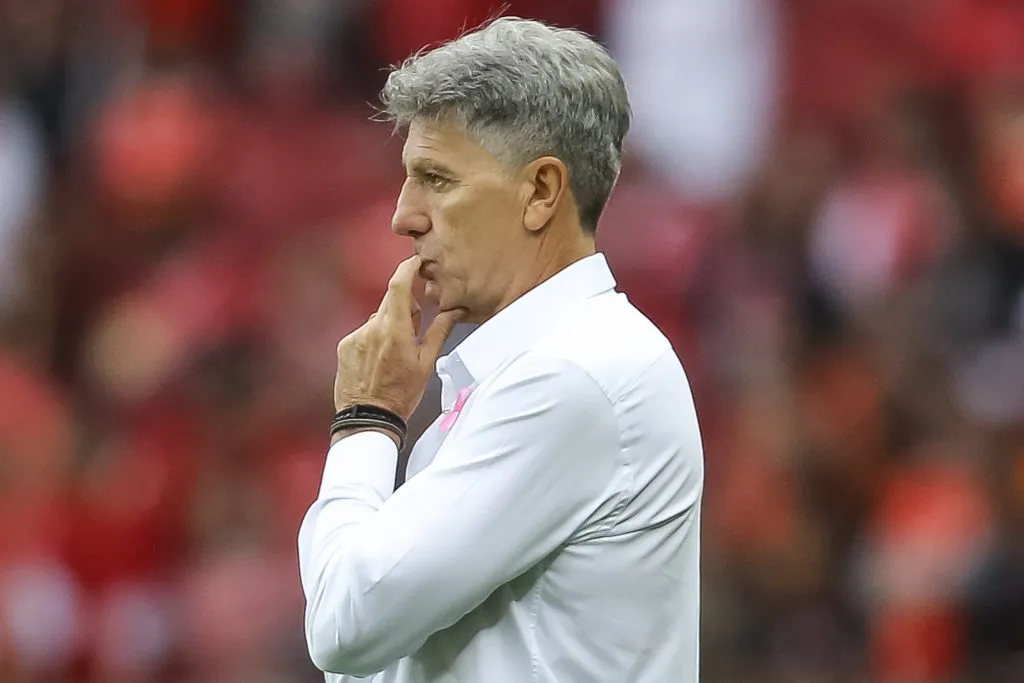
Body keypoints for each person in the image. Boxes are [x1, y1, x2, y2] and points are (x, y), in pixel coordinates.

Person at [297, 17, 704, 683]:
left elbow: (345, 623)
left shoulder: (577, 374)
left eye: (437, 178)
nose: (404, 215)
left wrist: (365, 418)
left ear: (541, 191)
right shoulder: (529, 371)